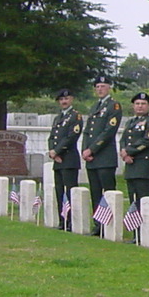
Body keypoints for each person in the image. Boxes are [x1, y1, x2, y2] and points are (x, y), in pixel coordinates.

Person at [81, 74, 121, 235]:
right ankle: (98, 224)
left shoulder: (114, 106)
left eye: (103, 86)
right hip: (91, 159)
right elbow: (87, 132)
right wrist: (85, 150)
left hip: (105, 158)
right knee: (95, 192)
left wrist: (92, 149)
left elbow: (108, 132)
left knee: (108, 192)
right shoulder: (94, 107)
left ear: (109, 87)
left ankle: (110, 224)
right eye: (97, 87)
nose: (100, 89)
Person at [120, 92, 149, 224]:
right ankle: (136, 232)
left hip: (144, 168)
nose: (140, 106)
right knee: (133, 201)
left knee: (145, 202)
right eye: (137, 104)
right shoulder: (131, 122)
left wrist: (128, 151)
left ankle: (146, 232)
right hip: (131, 167)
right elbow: (123, 140)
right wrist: (123, 152)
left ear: (148, 106)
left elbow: (148, 140)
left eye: (143, 104)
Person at [47, 88, 82, 231]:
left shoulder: (75, 116)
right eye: (61, 100)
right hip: (58, 160)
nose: (64, 102)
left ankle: (71, 221)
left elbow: (71, 137)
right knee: (60, 192)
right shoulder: (58, 118)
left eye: (66, 99)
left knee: (70, 192)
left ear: (71, 99)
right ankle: (63, 220)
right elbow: (52, 137)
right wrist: (52, 152)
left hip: (69, 160)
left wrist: (57, 151)